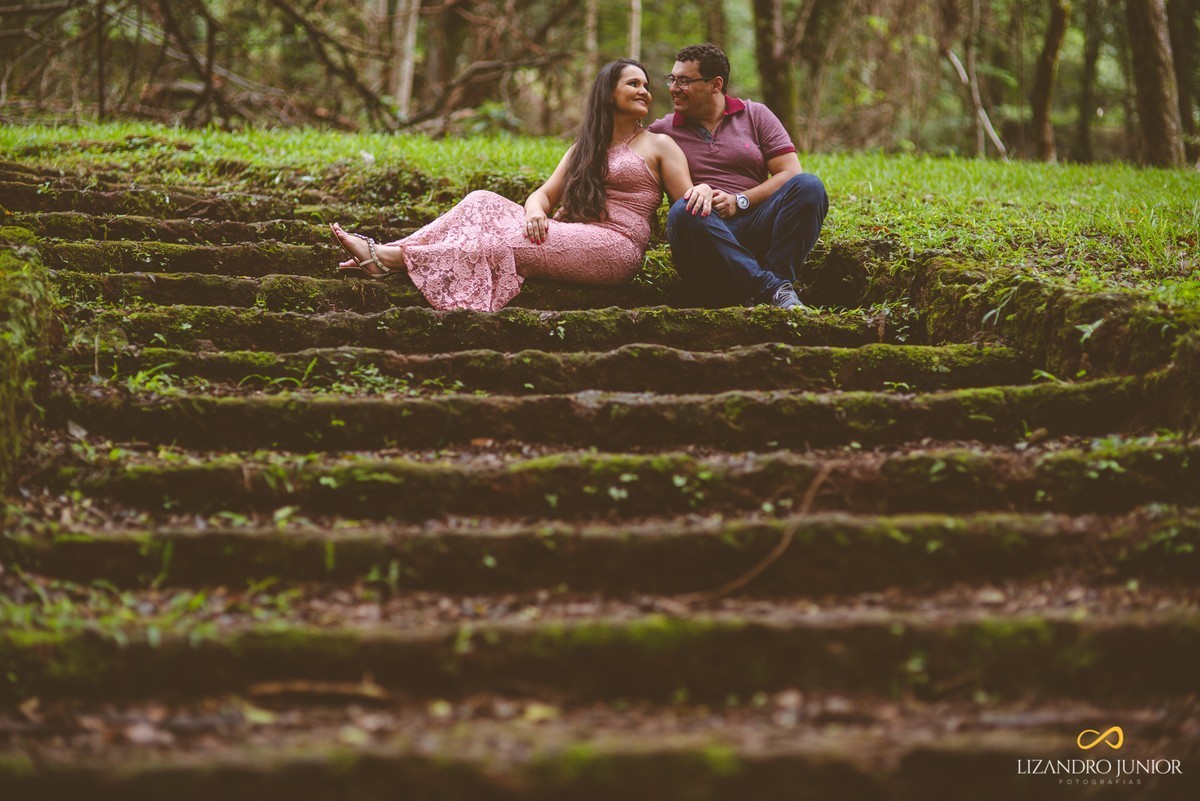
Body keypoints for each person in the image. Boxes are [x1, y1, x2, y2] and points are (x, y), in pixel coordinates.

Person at [331, 59, 713, 312]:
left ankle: (390, 259)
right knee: (481, 201)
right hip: (571, 231)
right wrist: (534, 210)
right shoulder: (585, 147)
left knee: (501, 242)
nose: (645, 91)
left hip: (616, 246)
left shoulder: (660, 145)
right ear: (608, 93)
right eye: (634, 83)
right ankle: (391, 251)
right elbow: (545, 194)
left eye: (647, 85)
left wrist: (710, 196)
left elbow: (685, 209)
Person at [648, 43, 829, 310]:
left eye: (684, 81)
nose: (674, 88)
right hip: (705, 236)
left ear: (715, 84)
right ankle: (774, 290)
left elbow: (790, 172)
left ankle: (771, 284)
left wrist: (739, 200)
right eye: (672, 79)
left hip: (756, 222)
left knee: (809, 186)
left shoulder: (755, 115)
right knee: (683, 211)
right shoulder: (662, 131)